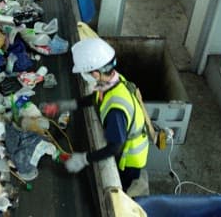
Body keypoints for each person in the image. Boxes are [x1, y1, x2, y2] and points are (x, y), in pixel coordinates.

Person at [42, 37, 149, 191]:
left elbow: (114, 148)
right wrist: (64, 105)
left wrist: (83, 159)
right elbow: (95, 98)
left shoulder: (115, 110)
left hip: (129, 159)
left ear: (96, 74)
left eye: (85, 73)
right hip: (124, 142)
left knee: (121, 192)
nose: (83, 76)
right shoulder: (114, 81)